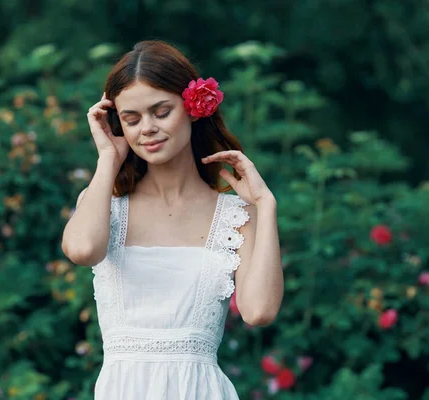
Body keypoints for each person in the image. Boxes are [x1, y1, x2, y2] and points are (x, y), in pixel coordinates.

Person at [61, 40, 284, 399]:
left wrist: (266, 204)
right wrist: (108, 159)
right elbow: (83, 249)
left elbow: (259, 311)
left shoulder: (237, 216)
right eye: (131, 120)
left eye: (161, 112)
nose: (146, 128)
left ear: (193, 109)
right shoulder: (104, 204)